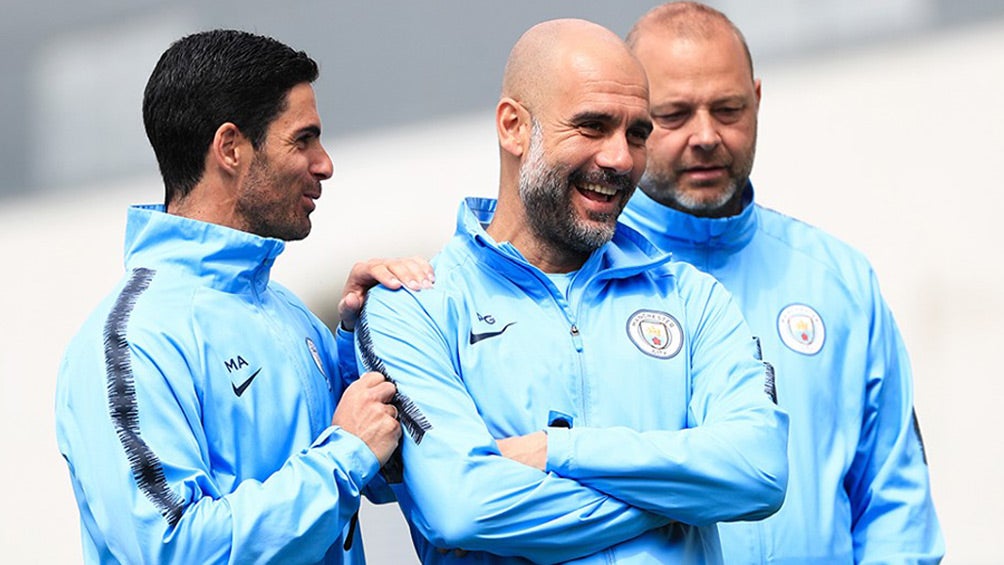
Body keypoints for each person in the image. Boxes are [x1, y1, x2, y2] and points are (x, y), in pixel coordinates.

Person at [355, 18, 788, 564]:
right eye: (592, 126)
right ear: (514, 127)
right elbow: (462, 507)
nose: (621, 159)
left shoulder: (693, 298)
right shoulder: (412, 306)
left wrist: (559, 451)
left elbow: (760, 470)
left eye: (637, 133)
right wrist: (685, 498)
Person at [54, 29, 434, 564]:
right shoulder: (128, 342)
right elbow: (177, 548)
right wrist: (344, 456)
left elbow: (372, 472)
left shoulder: (291, 314)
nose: (324, 163)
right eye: (303, 139)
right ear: (230, 148)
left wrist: (363, 341)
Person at [620, 3, 945, 563]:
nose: (705, 136)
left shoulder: (838, 279)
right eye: (674, 115)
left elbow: (895, 500)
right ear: (633, 121)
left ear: (758, 101)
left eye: (728, 109)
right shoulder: (584, 279)